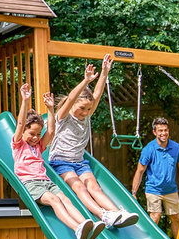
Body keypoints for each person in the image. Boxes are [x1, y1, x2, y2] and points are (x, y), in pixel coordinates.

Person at [49, 55, 139, 229]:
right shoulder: (63, 117)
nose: (85, 112)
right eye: (82, 108)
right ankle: (103, 215)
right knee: (79, 187)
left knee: (94, 186)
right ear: (74, 104)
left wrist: (104, 72)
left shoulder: (87, 116)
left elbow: (96, 95)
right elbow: (70, 99)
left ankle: (117, 214)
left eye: (88, 109)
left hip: (80, 162)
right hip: (61, 162)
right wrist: (85, 80)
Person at [13, 82, 104, 239]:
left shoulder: (39, 146)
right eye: (32, 133)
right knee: (55, 200)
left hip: (46, 182)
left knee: (66, 199)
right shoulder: (19, 144)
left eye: (37, 134)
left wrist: (50, 108)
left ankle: (86, 224)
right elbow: (20, 123)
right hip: (31, 184)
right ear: (24, 132)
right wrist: (25, 100)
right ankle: (77, 229)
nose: (35, 137)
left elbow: (51, 131)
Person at [132, 117, 179, 238]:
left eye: (165, 130)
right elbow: (140, 171)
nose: (163, 133)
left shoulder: (177, 148)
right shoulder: (148, 149)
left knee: (176, 217)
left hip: (171, 190)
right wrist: (134, 192)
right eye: (160, 130)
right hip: (153, 189)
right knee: (155, 216)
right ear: (154, 132)